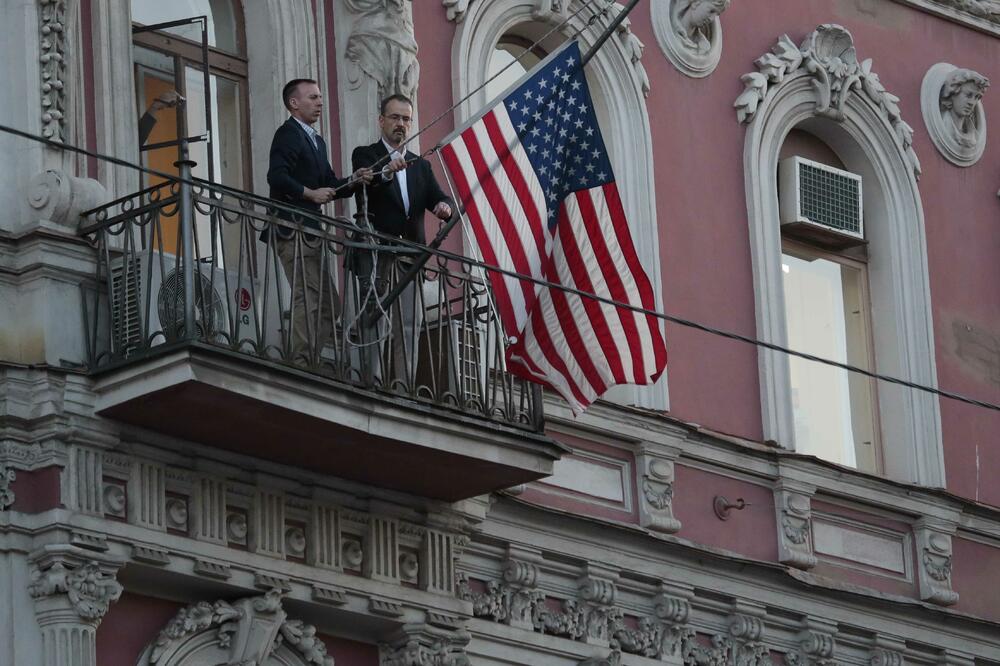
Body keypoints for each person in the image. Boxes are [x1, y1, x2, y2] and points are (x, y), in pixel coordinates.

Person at [265, 78, 375, 361]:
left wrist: (353, 180)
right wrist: (310, 194)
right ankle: (301, 362)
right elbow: (276, 176)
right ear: (294, 103)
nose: (320, 102)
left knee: (329, 306)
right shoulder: (288, 133)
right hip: (292, 227)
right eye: (313, 97)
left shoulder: (315, 140)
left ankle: (307, 358)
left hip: (310, 230)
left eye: (320, 97)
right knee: (309, 295)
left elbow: (330, 183)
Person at [348, 93, 453, 387]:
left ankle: (403, 386)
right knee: (375, 318)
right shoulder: (366, 154)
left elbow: (441, 198)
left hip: (410, 257)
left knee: (409, 324)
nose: (401, 124)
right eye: (395, 117)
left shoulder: (420, 165)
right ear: (381, 120)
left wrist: (444, 208)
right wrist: (385, 172)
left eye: (406, 119)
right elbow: (366, 184)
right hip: (377, 252)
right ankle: (372, 380)